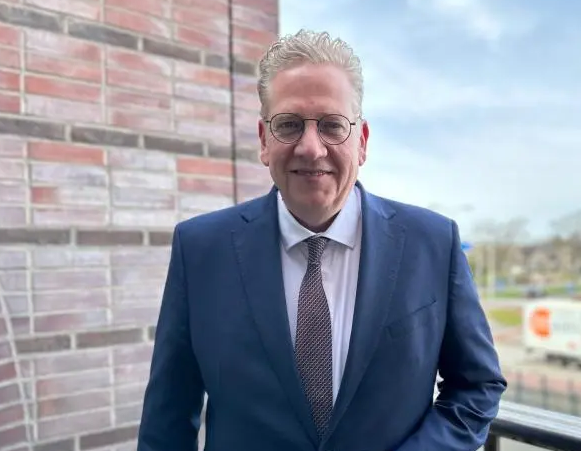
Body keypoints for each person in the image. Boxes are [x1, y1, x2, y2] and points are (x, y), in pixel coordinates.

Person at [137, 29, 507, 451]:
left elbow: (477, 386)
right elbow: (167, 416)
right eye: (289, 125)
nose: (311, 148)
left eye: (332, 125)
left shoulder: (433, 244)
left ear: (362, 142)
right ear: (263, 139)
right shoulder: (200, 250)